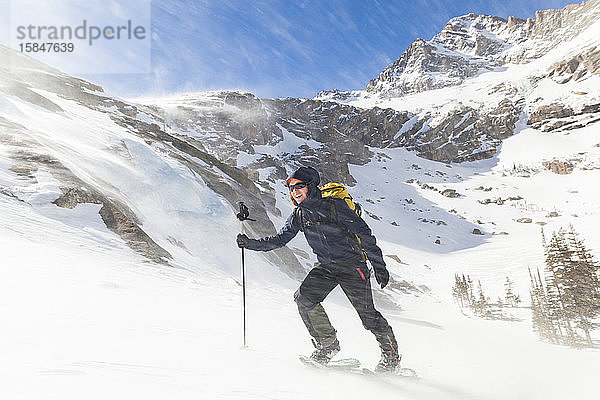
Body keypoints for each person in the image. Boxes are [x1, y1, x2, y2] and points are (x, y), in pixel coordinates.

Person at [236, 166, 400, 372]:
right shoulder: (300, 214)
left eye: (299, 186)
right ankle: (328, 345)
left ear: (311, 186)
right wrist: (249, 243)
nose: (294, 191)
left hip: (352, 267)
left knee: (368, 316)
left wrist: (379, 266)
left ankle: (391, 357)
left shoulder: (334, 206)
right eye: (291, 188)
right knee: (304, 299)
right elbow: (279, 240)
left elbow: (364, 234)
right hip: (327, 267)